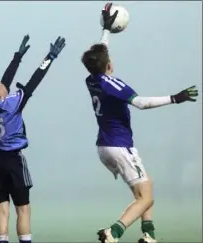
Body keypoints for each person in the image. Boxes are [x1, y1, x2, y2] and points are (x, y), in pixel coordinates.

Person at [81, 3, 198, 243]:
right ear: (108, 64)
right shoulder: (114, 85)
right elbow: (141, 103)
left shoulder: (92, 79)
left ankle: (149, 235)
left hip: (104, 146)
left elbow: (100, 55)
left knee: (144, 189)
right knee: (146, 197)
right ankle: (113, 232)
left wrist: (106, 29)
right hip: (119, 146)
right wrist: (175, 98)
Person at [0, 35, 66, 243]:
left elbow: (4, 81)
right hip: (12, 160)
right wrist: (50, 57)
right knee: (23, 209)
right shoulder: (13, 103)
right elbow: (35, 80)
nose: (2, 82)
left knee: (1, 210)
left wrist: (17, 57)